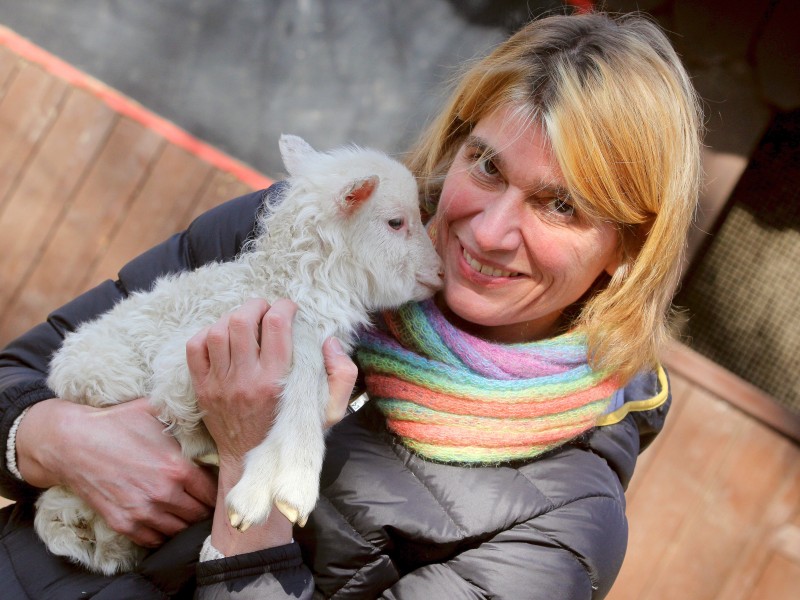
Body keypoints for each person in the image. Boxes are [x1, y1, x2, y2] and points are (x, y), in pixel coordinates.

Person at [0, 10, 701, 599]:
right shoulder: (303, 230)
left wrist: (252, 469)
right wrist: (54, 439)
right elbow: (16, 375)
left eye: (560, 205)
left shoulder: (565, 521)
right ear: (453, 147)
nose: (489, 231)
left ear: (627, 251)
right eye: (487, 165)